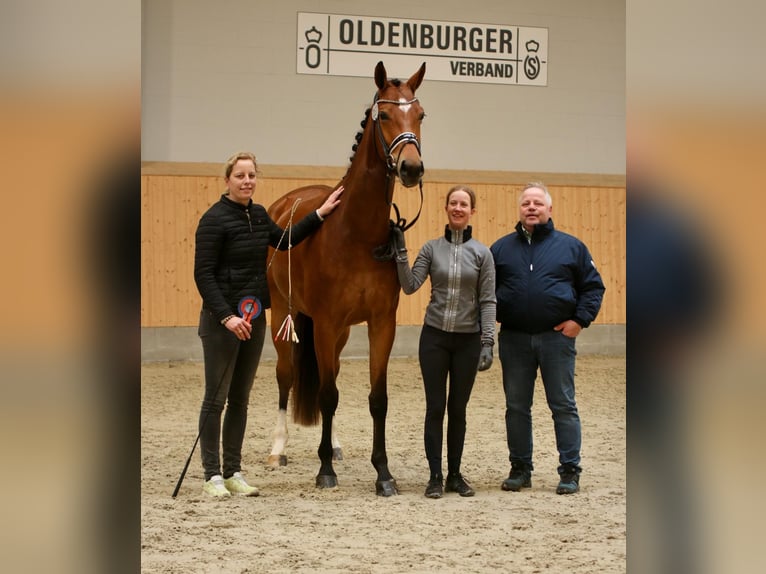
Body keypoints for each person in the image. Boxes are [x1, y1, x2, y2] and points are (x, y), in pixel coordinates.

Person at [193, 151, 342, 498]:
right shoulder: (213, 219)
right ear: (227, 180)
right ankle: (211, 474)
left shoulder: (258, 216)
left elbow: (285, 240)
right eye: (240, 176)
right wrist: (226, 317)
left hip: (254, 319)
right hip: (222, 323)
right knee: (215, 399)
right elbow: (203, 275)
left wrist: (320, 213)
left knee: (240, 400)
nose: (247, 181)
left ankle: (233, 471)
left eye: (251, 176)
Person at [490, 182, 605, 495]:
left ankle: (569, 469)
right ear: (520, 209)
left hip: (556, 339)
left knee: (563, 405)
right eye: (526, 202)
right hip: (513, 339)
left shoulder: (572, 247)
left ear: (549, 209)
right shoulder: (500, 249)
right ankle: (520, 469)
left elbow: (593, 287)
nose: (531, 207)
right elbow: (484, 293)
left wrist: (579, 320)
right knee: (516, 407)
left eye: (537, 203)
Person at [392, 185, 496, 499]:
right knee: (435, 407)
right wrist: (400, 252)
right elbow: (409, 286)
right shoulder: (430, 248)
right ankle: (435, 476)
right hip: (434, 338)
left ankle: (455, 474)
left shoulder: (482, 253)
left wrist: (488, 341)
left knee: (458, 409)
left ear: (472, 211)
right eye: (453, 203)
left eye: (464, 204)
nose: (458, 208)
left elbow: (488, 301)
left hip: (468, 341)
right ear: (447, 208)